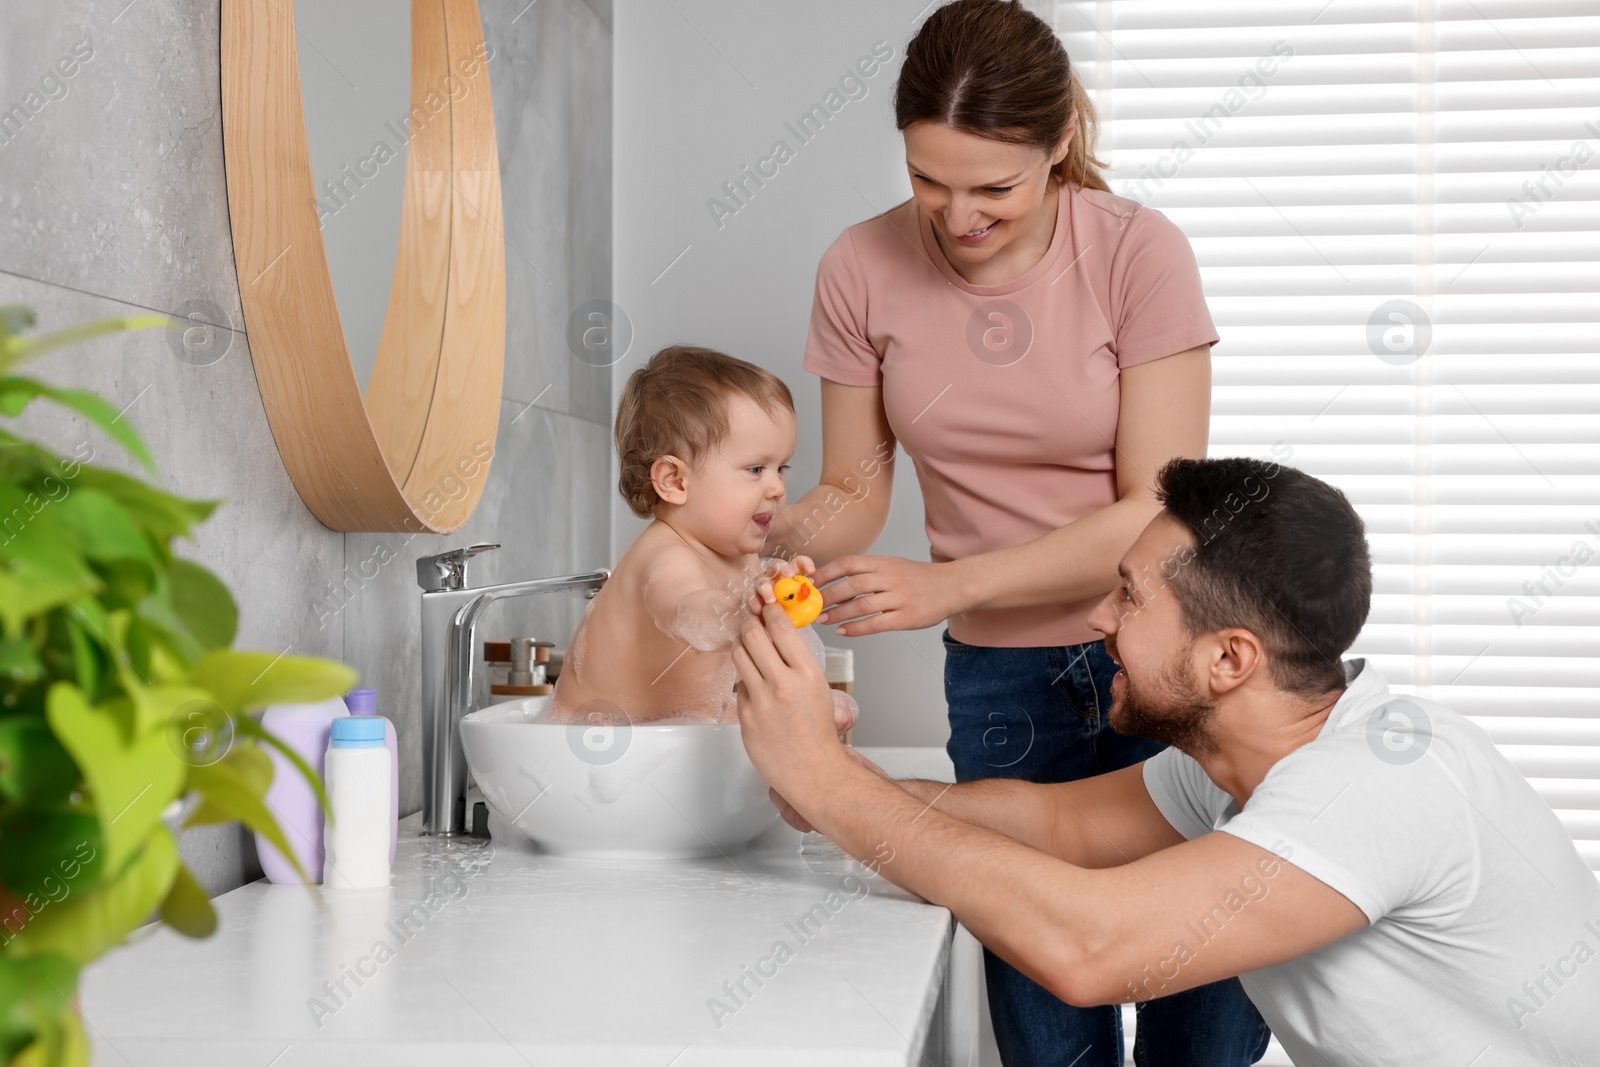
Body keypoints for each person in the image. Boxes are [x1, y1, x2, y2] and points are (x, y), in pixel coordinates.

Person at [762, 0, 1263, 1061]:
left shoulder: (1135, 251)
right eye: (928, 180)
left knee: (1204, 1013)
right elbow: (851, 489)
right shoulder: (859, 267)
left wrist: (950, 585)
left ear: (1059, 146)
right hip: (1003, 685)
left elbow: (1155, 508)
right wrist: (748, 532)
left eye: (994, 186)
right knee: (1047, 1027)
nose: (958, 215)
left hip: (1168, 651)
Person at [740, 457, 1600, 1066]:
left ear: (1229, 659)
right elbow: (1054, 823)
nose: (1098, 619)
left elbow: (1090, 946)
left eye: (1131, 595)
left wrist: (829, 779)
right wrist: (836, 792)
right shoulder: (1244, 760)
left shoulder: (1380, 782)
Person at [551, 344, 855, 733]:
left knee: (835, 709)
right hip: (601, 743)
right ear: (675, 481)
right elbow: (689, 612)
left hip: (670, 734)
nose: (778, 487)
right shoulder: (664, 555)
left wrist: (774, 591)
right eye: (756, 468)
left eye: (782, 467)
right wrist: (743, 608)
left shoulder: (735, 554)